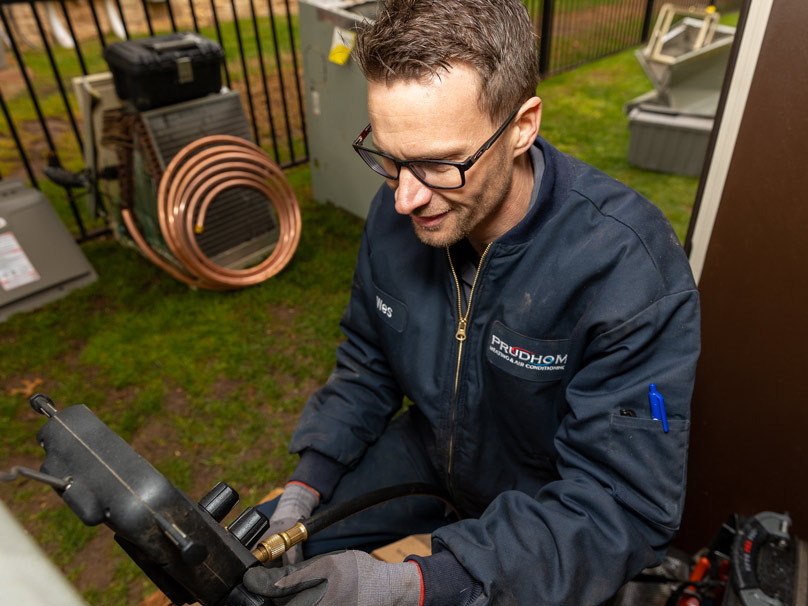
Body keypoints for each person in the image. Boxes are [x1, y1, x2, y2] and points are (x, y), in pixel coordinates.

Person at [245, 0, 701, 604]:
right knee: (255, 568)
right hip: (428, 452)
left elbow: (623, 507)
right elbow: (367, 357)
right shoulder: (398, 211)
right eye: (389, 157)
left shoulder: (627, 271)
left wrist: (417, 586)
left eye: (437, 164)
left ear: (522, 127)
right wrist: (310, 481)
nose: (406, 198)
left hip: (546, 499)